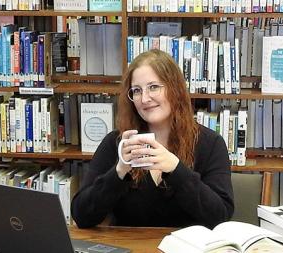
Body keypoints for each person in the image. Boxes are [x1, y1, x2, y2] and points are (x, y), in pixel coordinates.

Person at [71, 49, 234, 229]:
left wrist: (176, 169)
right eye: (137, 91)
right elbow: (81, 216)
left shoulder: (210, 144)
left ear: (175, 89)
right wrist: (120, 170)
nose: (145, 98)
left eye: (154, 87)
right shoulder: (116, 143)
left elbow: (220, 217)